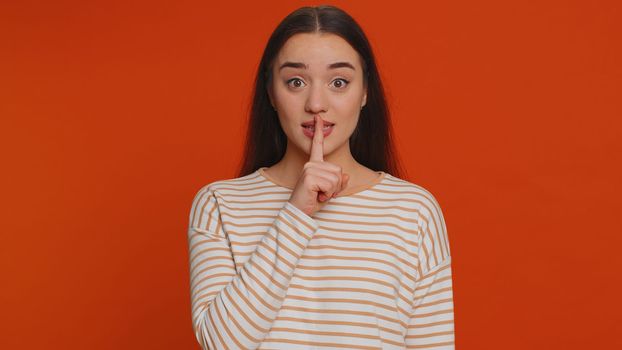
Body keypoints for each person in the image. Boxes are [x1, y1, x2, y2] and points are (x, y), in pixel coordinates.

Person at [187, 5, 454, 349]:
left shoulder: (413, 211)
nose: (316, 103)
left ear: (365, 93)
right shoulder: (219, 205)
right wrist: (297, 212)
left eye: (339, 82)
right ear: (270, 93)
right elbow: (220, 343)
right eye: (295, 82)